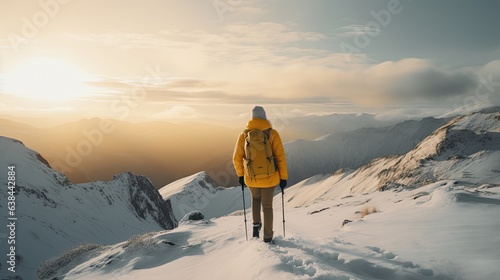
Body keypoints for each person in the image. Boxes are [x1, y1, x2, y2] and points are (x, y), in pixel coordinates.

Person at [233, 106, 288, 243]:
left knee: (256, 200)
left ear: (251, 118)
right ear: (264, 117)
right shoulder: (272, 134)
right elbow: (280, 157)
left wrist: (241, 175)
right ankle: (268, 237)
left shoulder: (244, 135)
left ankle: (256, 226)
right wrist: (283, 178)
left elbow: (236, 158)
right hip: (270, 178)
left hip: (251, 178)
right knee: (267, 207)